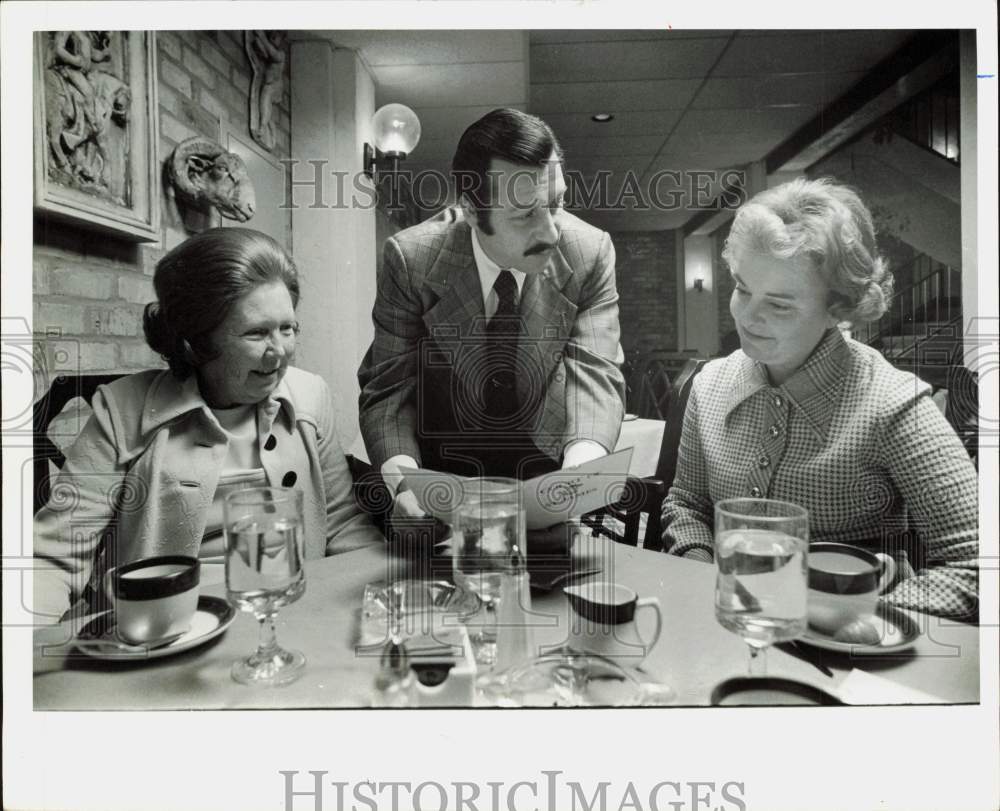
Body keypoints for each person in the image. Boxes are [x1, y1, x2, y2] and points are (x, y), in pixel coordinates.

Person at [661, 178, 978, 619]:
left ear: (839, 308)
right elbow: (687, 504)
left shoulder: (894, 406)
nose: (748, 316)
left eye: (780, 304)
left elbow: (978, 566)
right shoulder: (711, 385)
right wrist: (699, 574)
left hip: (853, 656)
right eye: (742, 288)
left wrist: (867, 613)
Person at [33, 228, 382, 624]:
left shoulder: (310, 396)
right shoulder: (121, 411)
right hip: (160, 632)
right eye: (256, 333)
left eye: (287, 329)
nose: (280, 352)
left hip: (285, 619)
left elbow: (340, 522)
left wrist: (378, 597)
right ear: (196, 342)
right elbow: (55, 555)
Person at [358, 108, 626, 525]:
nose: (552, 233)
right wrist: (404, 480)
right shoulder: (412, 260)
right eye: (524, 215)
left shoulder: (589, 253)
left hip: (547, 468)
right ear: (469, 208)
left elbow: (595, 375)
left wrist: (580, 473)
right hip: (442, 476)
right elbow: (388, 390)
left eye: (555, 204)